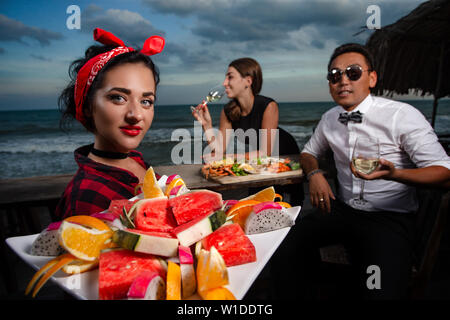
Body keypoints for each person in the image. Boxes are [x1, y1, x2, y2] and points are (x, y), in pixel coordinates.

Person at [285, 43, 450, 300]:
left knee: (379, 291)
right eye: (334, 75)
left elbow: (444, 172)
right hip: (342, 210)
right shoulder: (330, 118)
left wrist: (395, 174)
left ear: (371, 78)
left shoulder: (401, 116)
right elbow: (308, 153)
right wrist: (315, 175)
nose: (342, 81)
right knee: (285, 245)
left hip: (388, 218)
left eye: (353, 72)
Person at [54, 28, 165, 219]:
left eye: (146, 101)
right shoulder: (85, 199)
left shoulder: (137, 162)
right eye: (118, 98)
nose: (136, 114)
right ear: (88, 105)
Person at [192, 57, 303, 206]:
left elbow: (266, 152)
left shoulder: (268, 105)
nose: (225, 83)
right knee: (258, 199)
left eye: (230, 77)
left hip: (283, 152)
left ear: (248, 81)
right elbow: (218, 148)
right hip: (257, 158)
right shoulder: (229, 111)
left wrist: (228, 158)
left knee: (291, 199)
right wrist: (207, 125)